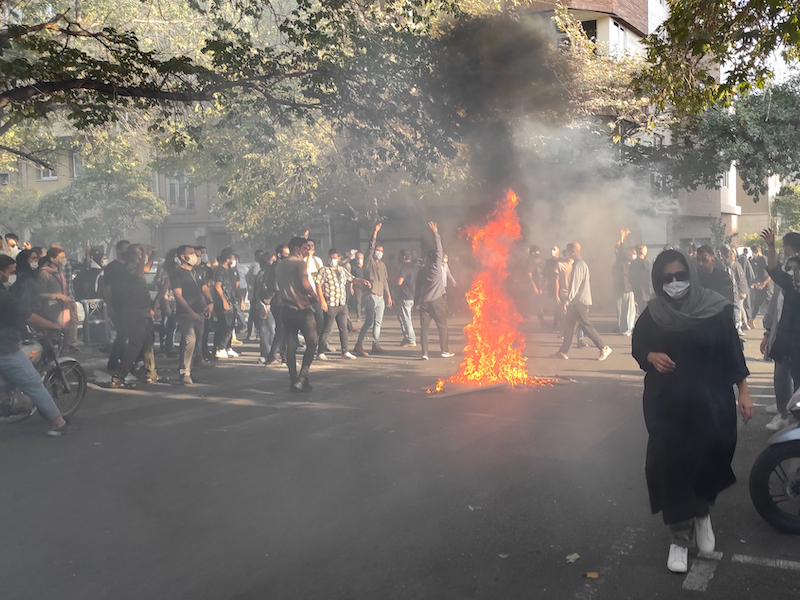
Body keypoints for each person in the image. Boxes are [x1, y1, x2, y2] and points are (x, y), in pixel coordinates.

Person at [631, 248, 752, 573]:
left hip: (710, 402)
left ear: (691, 276)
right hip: (666, 404)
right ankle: (679, 539)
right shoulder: (654, 311)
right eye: (667, 278)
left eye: (680, 276)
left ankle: (702, 516)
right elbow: (638, 344)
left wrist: (743, 391)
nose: (674, 283)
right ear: (659, 280)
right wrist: (651, 356)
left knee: (708, 460)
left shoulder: (715, 308)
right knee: (670, 465)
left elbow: (732, 351)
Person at [0, 286, 76, 435]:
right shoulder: (4, 296)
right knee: (34, 383)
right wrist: (54, 325)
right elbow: (29, 317)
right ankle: (59, 424)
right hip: (5, 349)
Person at [109, 244, 165, 388]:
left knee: (147, 343)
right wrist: (145, 252)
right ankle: (118, 377)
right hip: (135, 312)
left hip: (143, 311)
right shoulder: (128, 268)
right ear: (135, 256)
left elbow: (145, 269)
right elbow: (140, 272)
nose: (143, 258)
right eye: (141, 254)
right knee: (135, 344)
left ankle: (151, 374)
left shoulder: (134, 268)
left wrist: (152, 255)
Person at [761, 228, 800, 430]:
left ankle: (792, 415)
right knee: (781, 373)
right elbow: (776, 274)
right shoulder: (787, 275)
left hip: (795, 336)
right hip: (785, 334)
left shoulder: (793, 267)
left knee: (797, 375)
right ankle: (783, 412)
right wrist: (770, 246)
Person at [552, 242, 611, 360]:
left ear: (573, 252)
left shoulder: (579, 265)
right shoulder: (579, 264)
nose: (567, 253)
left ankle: (603, 347)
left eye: (568, 251)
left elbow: (574, 286)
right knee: (569, 326)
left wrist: (566, 301)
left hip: (578, 302)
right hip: (576, 302)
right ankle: (563, 351)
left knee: (586, 326)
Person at [275, 237, 319, 392]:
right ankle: (302, 377)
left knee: (291, 345)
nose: (308, 251)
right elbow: (305, 283)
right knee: (312, 342)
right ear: (296, 249)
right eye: (305, 248)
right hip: (302, 309)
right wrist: (316, 297)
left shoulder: (280, 265)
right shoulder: (299, 263)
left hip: (286, 309)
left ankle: (293, 379)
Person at [314, 248, 371, 360]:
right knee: (327, 329)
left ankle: (345, 351)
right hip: (331, 303)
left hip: (341, 303)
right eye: (331, 258)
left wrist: (363, 281)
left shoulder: (342, 270)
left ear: (339, 258)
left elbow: (352, 279)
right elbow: (318, 284)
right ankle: (320, 352)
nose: (332, 260)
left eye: (335, 258)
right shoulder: (324, 270)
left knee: (343, 328)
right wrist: (322, 300)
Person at [172, 245, 214, 385]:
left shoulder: (197, 271)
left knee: (196, 341)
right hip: (186, 313)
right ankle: (185, 373)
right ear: (183, 257)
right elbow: (178, 295)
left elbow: (202, 289)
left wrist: (209, 303)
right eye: (191, 253)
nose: (195, 255)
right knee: (190, 340)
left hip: (199, 311)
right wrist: (190, 311)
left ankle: (189, 369)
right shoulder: (177, 273)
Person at [416, 222, 454, 360]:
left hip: (424, 302)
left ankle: (424, 353)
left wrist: (417, 302)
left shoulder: (421, 270)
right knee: (442, 326)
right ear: (436, 259)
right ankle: (444, 350)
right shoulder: (437, 269)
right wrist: (436, 233)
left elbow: (418, 286)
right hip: (437, 301)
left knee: (424, 329)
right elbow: (440, 250)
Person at [353, 222, 392, 356]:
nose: (379, 253)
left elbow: (385, 281)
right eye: (378, 250)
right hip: (370, 295)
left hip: (380, 296)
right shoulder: (368, 262)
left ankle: (375, 344)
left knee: (378, 322)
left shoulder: (382, 265)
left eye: (381, 251)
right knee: (369, 321)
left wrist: (389, 295)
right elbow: (369, 248)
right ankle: (359, 344)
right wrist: (375, 233)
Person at [102, 240, 131, 371]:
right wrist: (109, 307)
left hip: (130, 304)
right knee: (122, 333)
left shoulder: (131, 266)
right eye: (126, 249)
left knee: (128, 334)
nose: (128, 252)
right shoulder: (111, 267)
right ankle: (114, 361)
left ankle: (121, 360)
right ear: (119, 250)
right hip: (117, 305)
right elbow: (107, 288)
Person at [265, 244, 291, 365]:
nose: (288, 256)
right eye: (286, 254)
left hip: (281, 300)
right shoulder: (276, 267)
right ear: (279, 255)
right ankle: (273, 356)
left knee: (283, 329)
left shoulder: (278, 266)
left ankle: (283, 356)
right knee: (282, 329)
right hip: (279, 301)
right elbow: (275, 286)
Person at [212, 249, 239, 359]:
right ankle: (220, 348)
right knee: (225, 326)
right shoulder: (220, 271)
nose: (234, 261)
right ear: (227, 260)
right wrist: (223, 300)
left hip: (230, 300)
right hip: (223, 302)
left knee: (230, 325)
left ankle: (227, 347)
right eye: (232, 259)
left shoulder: (229, 271)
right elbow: (217, 286)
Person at [252, 252, 277, 364]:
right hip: (265, 306)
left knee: (271, 330)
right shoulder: (263, 274)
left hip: (270, 305)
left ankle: (270, 354)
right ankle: (266, 354)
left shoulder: (268, 274)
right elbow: (262, 292)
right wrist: (265, 306)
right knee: (267, 330)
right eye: (271, 259)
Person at [612, 242, 636, 336]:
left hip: (620, 289)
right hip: (627, 289)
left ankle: (623, 328)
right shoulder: (625, 265)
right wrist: (622, 238)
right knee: (628, 311)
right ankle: (627, 329)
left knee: (621, 310)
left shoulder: (618, 264)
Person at [396, 250, 419, 347]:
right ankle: (406, 337)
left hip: (405, 296)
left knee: (406, 318)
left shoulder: (404, 268)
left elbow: (399, 282)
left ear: (404, 257)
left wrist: (392, 279)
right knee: (401, 317)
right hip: (412, 296)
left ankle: (411, 339)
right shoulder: (415, 267)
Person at [750, 245, 773, 325]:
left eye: (753, 252)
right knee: (756, 301)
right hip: (758, 284)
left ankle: (774, 319)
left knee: (769, 300)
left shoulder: (764, 259)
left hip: (766, 285)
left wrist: (764, 283)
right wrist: (754, 282)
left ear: (758, 251)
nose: (753, 254)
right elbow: (757, 274)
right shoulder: (754, 260)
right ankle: (752, 319)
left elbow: (770, 273)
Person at [630, 244, 652, 316]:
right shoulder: (646, 263)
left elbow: (631, 278)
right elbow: (649, 278)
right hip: (646, 293)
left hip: (636, 292)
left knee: (641, 312)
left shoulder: (632, 263)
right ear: (643, 252)